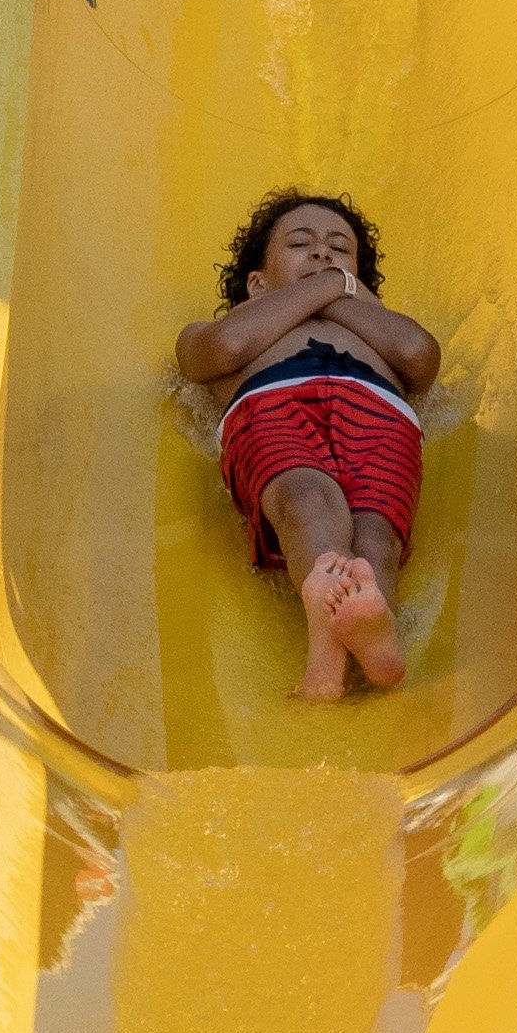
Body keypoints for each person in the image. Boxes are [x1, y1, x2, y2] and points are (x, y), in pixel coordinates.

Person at [177, 190, 438, 700]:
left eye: (340, 249)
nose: (322, 252)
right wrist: (333, 283)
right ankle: (332, 623)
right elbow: (225, 348)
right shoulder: (222, 327)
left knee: (375, 541)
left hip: (380, 415)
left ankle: (364, 633)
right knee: (304, 499)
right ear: (257, 283)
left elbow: (417, 354)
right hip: (276, 402)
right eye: (301, 244)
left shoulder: (377, 326)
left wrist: (338, 292)